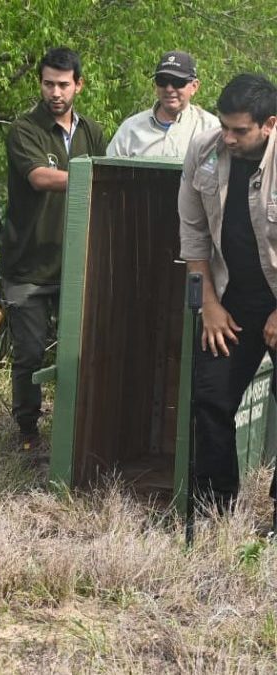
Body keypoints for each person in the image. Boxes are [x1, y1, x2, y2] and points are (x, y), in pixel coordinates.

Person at [0, 47, 106, 451]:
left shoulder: (92, 131)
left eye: (63, 84)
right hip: (28, 264)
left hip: (78, 263)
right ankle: (28, 433)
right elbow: (40, 178)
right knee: (29, 354)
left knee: (81, 353)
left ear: (79, 85)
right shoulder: (25, 128)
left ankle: (78, 430)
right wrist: (96, 174)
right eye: (48, 84)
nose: (55, 92)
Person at [179, 74, 277, 513]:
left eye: (240, 130)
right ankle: (215, 507)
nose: (229, 138)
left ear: (270, 124)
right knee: (210, 396)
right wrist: (209, 305)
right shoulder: (203, 151)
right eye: (223, 126)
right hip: (229, 297)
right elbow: (194, 235)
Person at [107, 50, 220, 158]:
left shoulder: (211, 129)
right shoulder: (130, 129)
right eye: (162, 81)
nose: (169, 89)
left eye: (178, 82)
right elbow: (108, 169)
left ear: (194, 86)